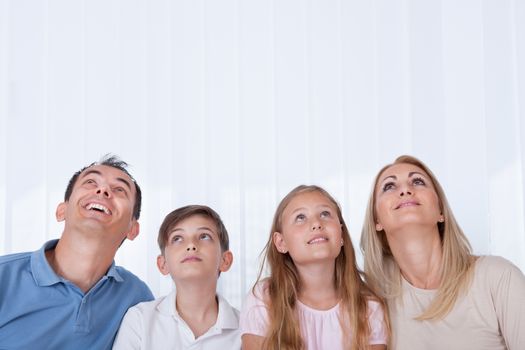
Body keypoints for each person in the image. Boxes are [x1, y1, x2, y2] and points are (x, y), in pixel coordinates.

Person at [360, 155, 525, 350]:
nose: (405, 190)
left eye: (418, 181)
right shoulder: (372, 301)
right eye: (389, 186)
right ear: (376, 220)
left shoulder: (498, 277)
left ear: (440, 211)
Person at [0, 155, 154, 349]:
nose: (103, 190)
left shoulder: (136, 297)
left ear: (132, 229)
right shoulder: (4, 277)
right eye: (90, 182)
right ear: (61, 211)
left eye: (119, 189)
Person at [241, 185, 389, 350]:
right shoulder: (264, 299)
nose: (316, 223)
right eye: (300, 217)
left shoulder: (368, 306)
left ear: (341, 235)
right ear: (281, 242)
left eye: (325, 214)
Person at [113, 205, 241, 349]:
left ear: (225, 260)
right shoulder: (140, 320)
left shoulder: (246, 330)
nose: (191, 245)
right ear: (163, 264)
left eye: (204, 236)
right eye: (177, 238)